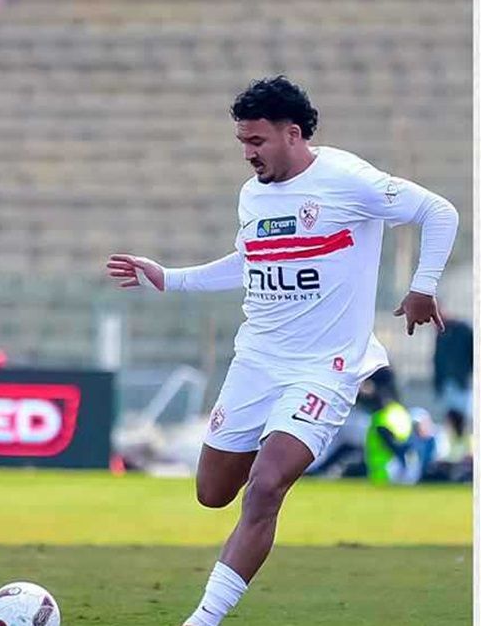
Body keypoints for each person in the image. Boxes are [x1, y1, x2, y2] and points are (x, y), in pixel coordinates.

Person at [105, 76, 458, 625]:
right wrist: (169, 278)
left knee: (266, 487)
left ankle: (203, 619)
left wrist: (422, 286)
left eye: (257, 141)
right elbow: (251, 260)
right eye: (242, 142)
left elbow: (440, 212)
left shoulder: (347, 179)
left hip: (326, 368)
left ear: (292, 134)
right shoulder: (253, 195)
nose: (248, 154)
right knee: (212, 492)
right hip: (257, 361)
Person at [356, 368, 415, 485]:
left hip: (385, 472)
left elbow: (392, 443)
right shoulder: (401, 412)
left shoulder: (381, 417)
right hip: (401, 469)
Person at [432, 318, 472, 419]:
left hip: (461, 382)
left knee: (461, 415)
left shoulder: (463, 331)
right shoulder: (441, 337)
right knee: (450, 415)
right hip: (447, 383)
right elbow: (438, 361)